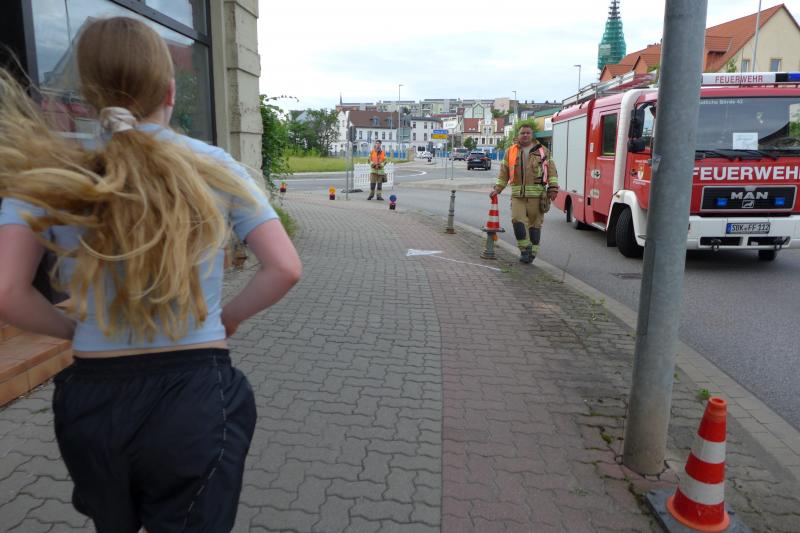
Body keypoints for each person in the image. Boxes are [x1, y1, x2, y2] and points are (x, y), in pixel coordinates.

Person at [0, 17, 301, 533]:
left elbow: (7, 291)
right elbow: (285, 268)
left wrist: (72, 330)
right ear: (169, 90)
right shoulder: (213, 166)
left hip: (93, 400)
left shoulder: (48, 175)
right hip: (194, 395)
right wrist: (227, 318)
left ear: (87, 95)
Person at [490, 124, 559, 263]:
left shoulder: (543, 151)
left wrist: (553, 188)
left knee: (535, 225)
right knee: (517, 221)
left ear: (532, 135)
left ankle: (533, 252)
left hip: (537, 197)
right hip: (518, 196)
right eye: (523, 133)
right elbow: (504, 173)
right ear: (518, 135)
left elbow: (552, 171)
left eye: (528, 133)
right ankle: (524, 249)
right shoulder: (510, 151)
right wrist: (497, 188)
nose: (525, 135)